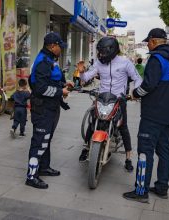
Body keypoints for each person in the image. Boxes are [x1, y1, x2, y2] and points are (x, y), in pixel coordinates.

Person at [122, 28, 169, 203]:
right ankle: (162, 187)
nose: (147, 44)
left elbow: (148, 85)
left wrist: (134, 94)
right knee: (164, 150)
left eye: (148, 41)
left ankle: (141, 191)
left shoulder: (156, 59)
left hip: (153, 114)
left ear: (155, 41)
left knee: (145, 151)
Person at [78, 36, 142, 172]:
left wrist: (134, 94)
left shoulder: (125, 63)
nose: (100, 55)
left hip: (119, 100)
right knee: (93, 122)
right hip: (102, 99)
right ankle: (86, 147)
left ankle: (128, 158)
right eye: (99, 52)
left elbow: (137, 78)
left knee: (123, 127)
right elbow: (86, 78)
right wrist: (82, 72)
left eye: (103, 52)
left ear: (112, 51)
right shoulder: (99, 63)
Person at [26, 32, 73, 189]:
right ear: (53, 46)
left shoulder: (50, 59)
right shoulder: (43, 62)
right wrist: (61, 92)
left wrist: (65, 84)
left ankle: (44, 167)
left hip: (50, 107)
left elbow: (52, 80)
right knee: (39, 141)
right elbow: (40, 88)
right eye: (60, 46)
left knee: (46, 138)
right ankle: (31, 176)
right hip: (42, 108)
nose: (61, 49)